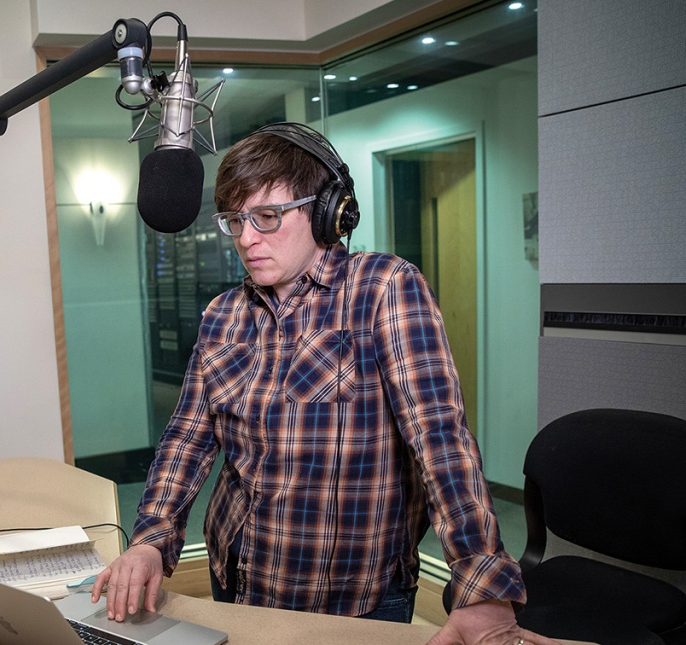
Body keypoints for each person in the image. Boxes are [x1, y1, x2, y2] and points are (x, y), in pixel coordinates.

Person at [92, 123, 557, 645]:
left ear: (327, 211)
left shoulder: (384, 289)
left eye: (266, 217)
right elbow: (187, 438)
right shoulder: (223, 314)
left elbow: (441, 443)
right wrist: (151, 539)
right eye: (235, 221)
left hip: (354, 601)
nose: (247, 239)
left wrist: (482, 588)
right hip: (239, 584)